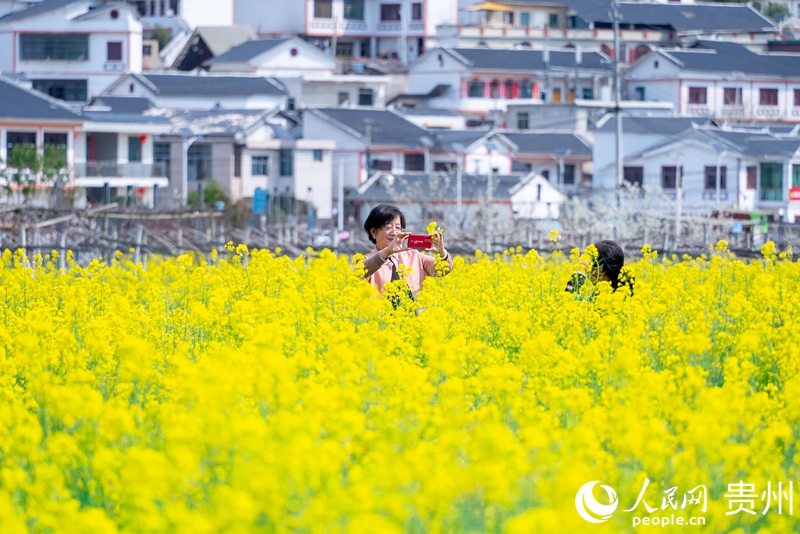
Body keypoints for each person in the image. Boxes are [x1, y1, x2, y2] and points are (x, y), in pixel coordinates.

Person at [361, 204, 453, 298]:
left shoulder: (415, 256)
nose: (394, 232)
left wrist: (442, 253)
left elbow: (442, 270)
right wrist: (387, 252)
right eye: (387, 227)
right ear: (373, 232)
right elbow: (359, 275)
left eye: (398, 227)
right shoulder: (367, 261)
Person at [566, 240, 634, 296]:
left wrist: (579, 275)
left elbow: (568, 299)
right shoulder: (624, 292)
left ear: (599, 270)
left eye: (589, 263)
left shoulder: (602, 298)